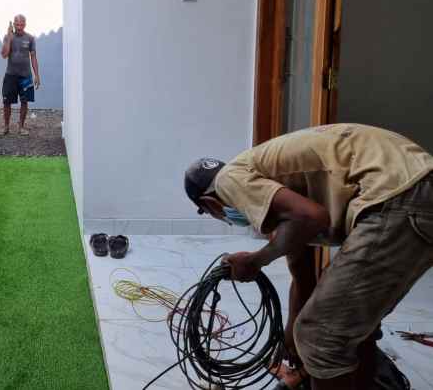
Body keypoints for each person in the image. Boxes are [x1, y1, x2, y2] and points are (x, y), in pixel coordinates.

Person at [184, 124, 433, 390]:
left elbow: (312, 217)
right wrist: (292, 330)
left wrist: (256, 261)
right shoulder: (274, 187)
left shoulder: (229, 180)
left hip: (399, 197)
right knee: (348, 322)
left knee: (320, 334)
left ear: (209, 205)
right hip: (413, 184)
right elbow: (302, 274)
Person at [0, 14, 40, 135]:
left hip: (25, 76)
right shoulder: (8, 37)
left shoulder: (30, 38)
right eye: (17, 24)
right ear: (14, 25)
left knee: (25, 101)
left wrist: (36, 75)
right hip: (10, 75)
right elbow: (4, 55)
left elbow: (33, 57)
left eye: (22, 24)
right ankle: (6, 127)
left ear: (25, 24)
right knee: (6, 102)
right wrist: (9, 39)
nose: (19, 27)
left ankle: (21, 127)